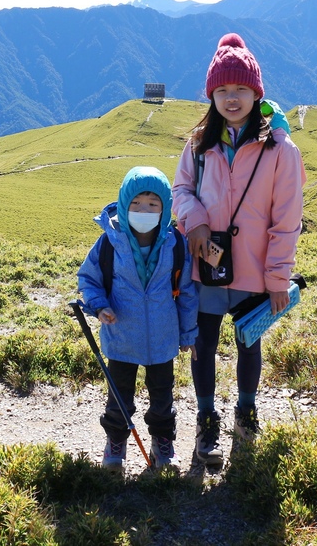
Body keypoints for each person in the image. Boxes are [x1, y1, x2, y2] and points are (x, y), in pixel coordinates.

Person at [173, 33, 305, 467]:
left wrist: (278, 279)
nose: (232, 99)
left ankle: (246, 414)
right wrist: (196, 221)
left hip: (255, 269)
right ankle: (207, 421)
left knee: (249, 344)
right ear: (212, 94)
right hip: (206, 265)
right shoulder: (197, 144)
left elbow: (287, 222)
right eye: (223, 91)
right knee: (203, 346)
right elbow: (180, 191)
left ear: (256, 93)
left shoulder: (281, 151)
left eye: (241, 90)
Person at [78, 166, 199, 472]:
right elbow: (89, 278)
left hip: (162, 337)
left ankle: (162, 443)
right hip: (121, 336)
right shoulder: (109, 242)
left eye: (153, 204)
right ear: (124, 203)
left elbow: (185, 291)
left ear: (165, 208)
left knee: (162, 397)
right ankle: (115, 444)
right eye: (137, 204)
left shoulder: (176, 244)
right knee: (119, 396)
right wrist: (99, 306)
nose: (144, 210)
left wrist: (187, 336)